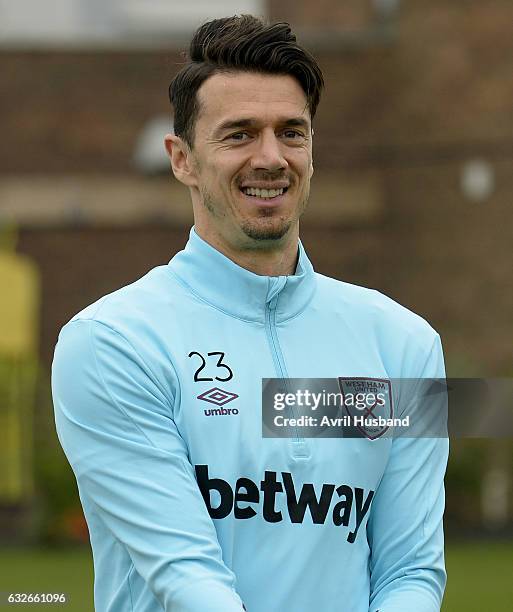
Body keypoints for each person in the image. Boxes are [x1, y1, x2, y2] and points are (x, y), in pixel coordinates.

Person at [52, 15, 448, 612]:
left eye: (292, 132)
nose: (271, 158)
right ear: (181, 158)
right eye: (239, 134)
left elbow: (412, 571)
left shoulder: (406, 344)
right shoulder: (112, 342)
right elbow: (188, 577)